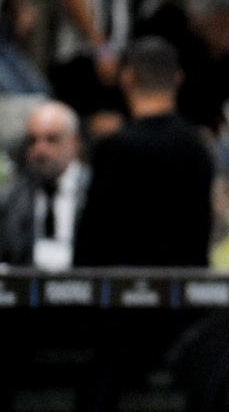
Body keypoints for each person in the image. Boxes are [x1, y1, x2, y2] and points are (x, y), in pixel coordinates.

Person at [73, 37, 216, 267]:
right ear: (178, 78)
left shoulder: (114, 148)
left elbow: (93, 238)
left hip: (122, 292)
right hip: (181, 293)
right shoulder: (199, 148)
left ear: (127, 77)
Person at [0, 100, 87, 269]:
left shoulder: (97, 193)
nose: (40, 150)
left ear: (74, 143)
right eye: (32, 141)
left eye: (52, 139)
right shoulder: (7, 199)